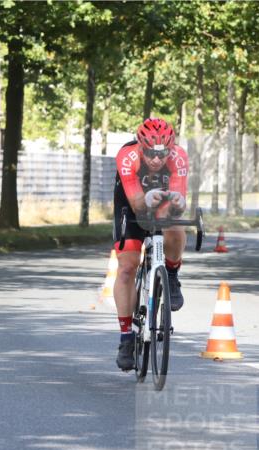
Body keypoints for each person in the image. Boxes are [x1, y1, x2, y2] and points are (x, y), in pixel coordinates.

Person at [112, 117, 189, 371]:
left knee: (175, 226)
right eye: (150, 154)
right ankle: (126, 338)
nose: (156, 160)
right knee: (127, 266)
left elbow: (179, 201)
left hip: (162, 202)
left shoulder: (178, 157)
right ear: (140, 147)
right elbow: (136, 204)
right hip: (131, 204)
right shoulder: (127, 156)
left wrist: (176, 203)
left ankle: (171, 274)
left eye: (162, 154)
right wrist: (146, 198)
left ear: (171, 148)